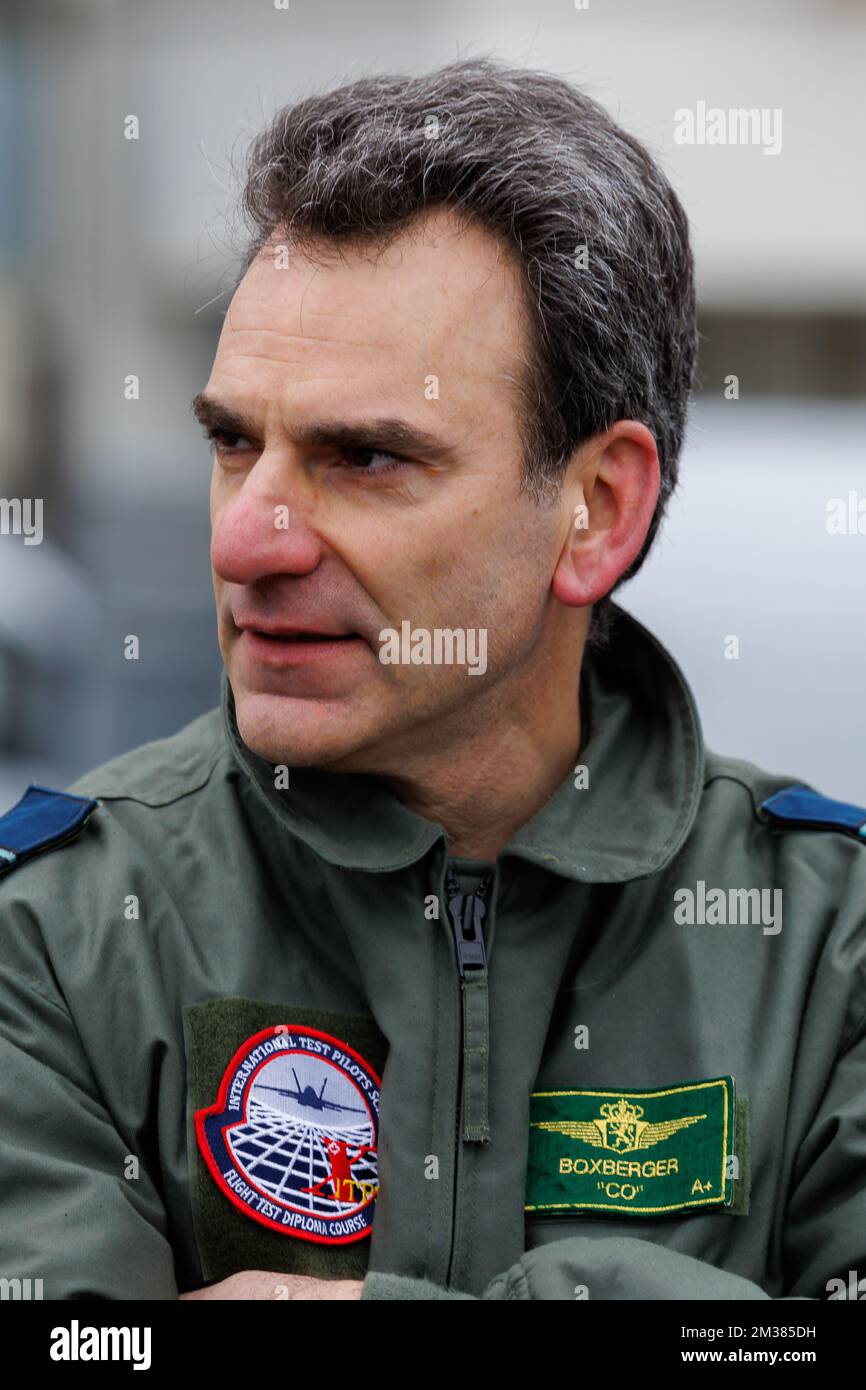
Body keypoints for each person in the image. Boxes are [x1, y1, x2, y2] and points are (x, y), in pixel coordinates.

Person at [1, 59, 864, 1303]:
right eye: (233, 442)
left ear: (595, 509)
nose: (248, 539)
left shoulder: (824, 946)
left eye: (362, 457)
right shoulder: (56, 937)